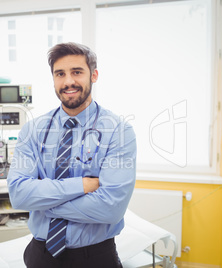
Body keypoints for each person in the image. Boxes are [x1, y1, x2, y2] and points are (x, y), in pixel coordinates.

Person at [7, 42, 136, 268]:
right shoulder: (33, 130)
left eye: (77, 72)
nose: (68, 82)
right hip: (40, 254)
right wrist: (82, 186)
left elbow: (111, 208)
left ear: (93, 75)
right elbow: (18, 195)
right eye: (60, 74)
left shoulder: (118, 131)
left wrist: (41, 201)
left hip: (95, 257)